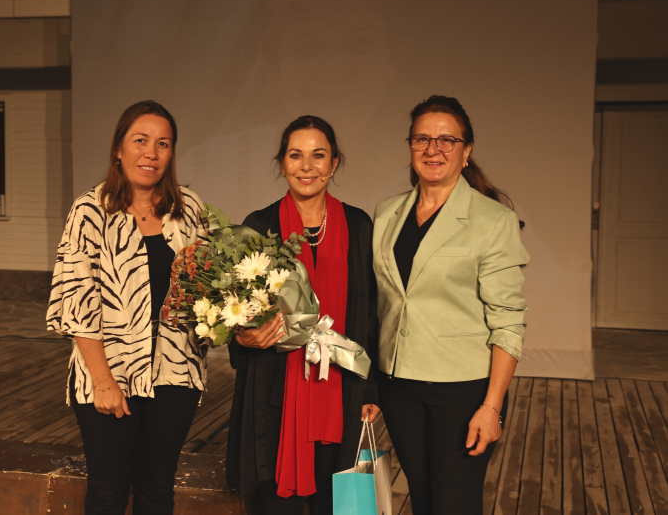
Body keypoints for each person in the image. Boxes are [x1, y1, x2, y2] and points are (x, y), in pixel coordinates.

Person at [46, 100, 208, 515]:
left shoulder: (190, 209)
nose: (151, 153)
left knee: (158, 489)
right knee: (108, 491)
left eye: (163, 144)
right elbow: (76, 301)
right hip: (109, 372)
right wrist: (103, 381)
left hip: (176, 373)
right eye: (140, 141)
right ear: (119, 149)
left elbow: (210, 287)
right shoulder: (90, 210)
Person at [373, 95, 529, 514]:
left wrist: (492, 406)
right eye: (422, 138)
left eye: (447, 140)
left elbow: (509, 322)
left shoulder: (493, 220)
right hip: (399, 386)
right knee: (423, 500)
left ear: (466, 150)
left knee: (454, 505)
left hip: (463, 391)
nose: (433, 149)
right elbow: (382, 303)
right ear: (410, 146)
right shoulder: (387, 214)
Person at [226, 116, 380, 514]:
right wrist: (243, 336)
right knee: (277, 505)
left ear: (334, 163)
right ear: (282, 164)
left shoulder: (359, 225)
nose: (307, 166)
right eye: (296, 155)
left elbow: (371, 312)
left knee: (336, 502)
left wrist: (370, 390)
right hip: (276, 390)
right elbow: (239, 313)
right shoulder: (259, 226)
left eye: (318, 155)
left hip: (340, 388)